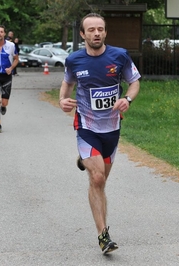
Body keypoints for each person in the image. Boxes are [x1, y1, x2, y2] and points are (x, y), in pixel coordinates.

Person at [59, 13, 140, 254]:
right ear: (82, 34)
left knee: (102, 179)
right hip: (87, 127)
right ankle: (103, 235)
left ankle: (86, 159)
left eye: (100, 29)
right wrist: (62, 100)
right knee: (97, 178)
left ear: (105, 32)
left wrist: (127, 98)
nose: (96, 33)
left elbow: (134, 82)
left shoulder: (120, 56)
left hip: (112, 130)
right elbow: (67, 85)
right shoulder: (74, 60)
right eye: (91, 30)